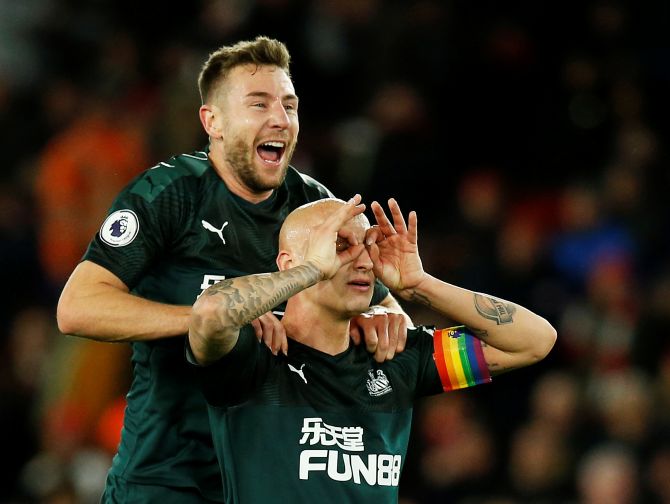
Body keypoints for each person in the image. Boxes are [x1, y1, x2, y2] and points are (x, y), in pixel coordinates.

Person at [56, 36, 410, 502]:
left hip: (272, 482)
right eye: (259, 104)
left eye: (289, 105)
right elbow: (76, 308)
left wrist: (384, 319)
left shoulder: (314, 206)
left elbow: (390, 312)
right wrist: (209, 319)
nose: (280, 120)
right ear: (213, 121)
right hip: (168, 478)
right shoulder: (169, 195)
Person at [188, 195, 558, 503]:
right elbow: (208, 314)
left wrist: (420, 286)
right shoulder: (256, 354)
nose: (365, 260)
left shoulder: (396, 355)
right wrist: (312, 268)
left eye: (367, 245)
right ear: (289, 263)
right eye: (340, 245)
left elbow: (535, 341)